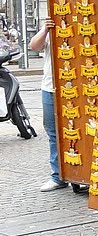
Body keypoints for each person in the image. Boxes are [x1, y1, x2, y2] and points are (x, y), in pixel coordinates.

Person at [29, 18, 67, 191]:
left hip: (74, 89)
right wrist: (45, 29)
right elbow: (34, 46)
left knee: (77, 131)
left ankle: (80, 173)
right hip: (49, 88)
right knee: (53, 132)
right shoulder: (49, 31)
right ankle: (57, 175)